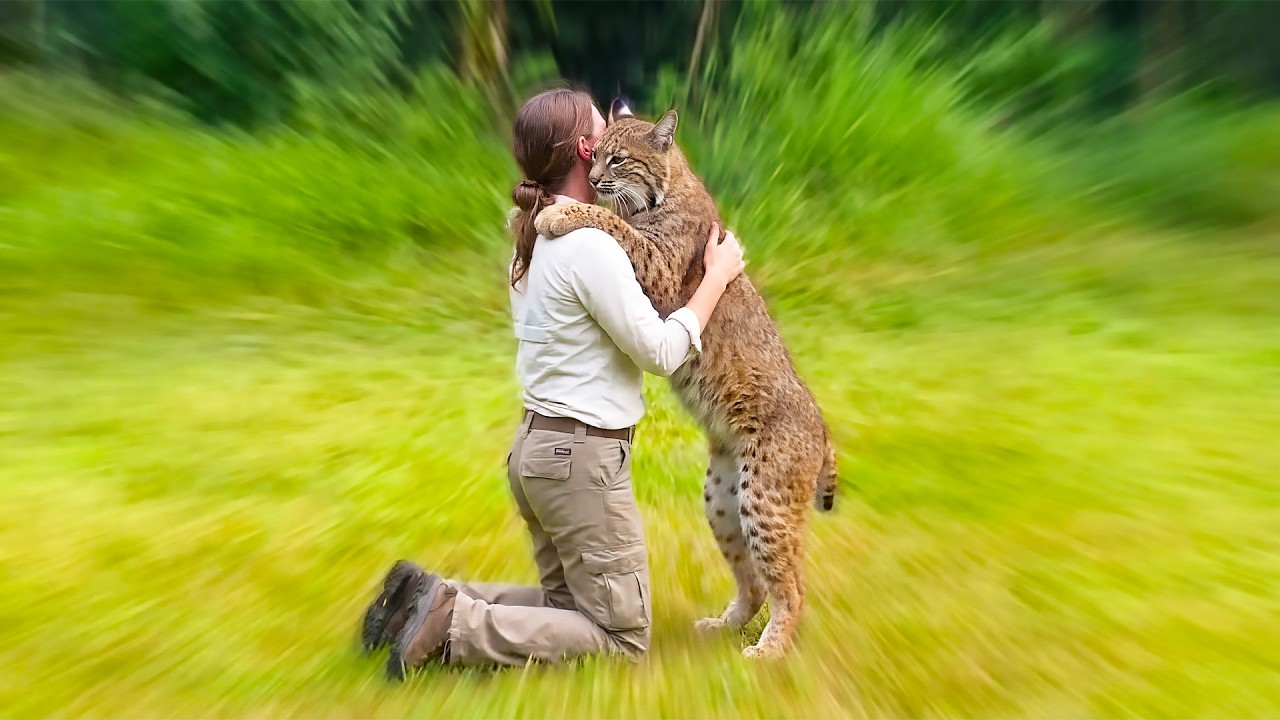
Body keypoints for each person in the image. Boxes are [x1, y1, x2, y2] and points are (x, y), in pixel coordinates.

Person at [360, 88, 746, 677]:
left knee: (572, 609)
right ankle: (449, 626)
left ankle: (428, 597)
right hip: (579, 460)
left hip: (537, 452)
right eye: (601, 133)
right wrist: (716, 276)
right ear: (588, 150)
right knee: (620, 635)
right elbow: (662, 351)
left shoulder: (528, 235)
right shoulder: (588, 246)